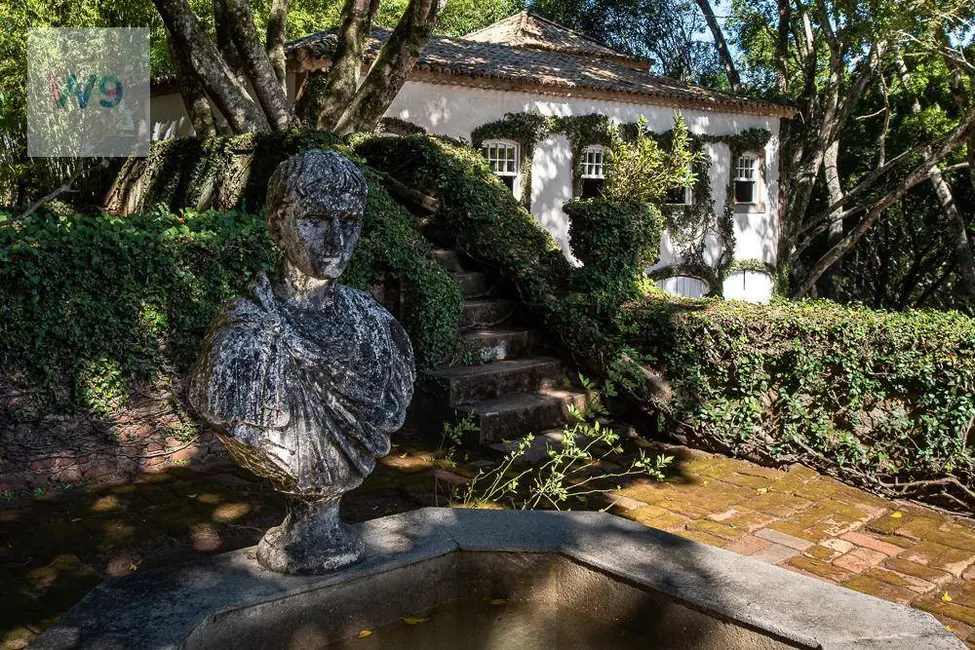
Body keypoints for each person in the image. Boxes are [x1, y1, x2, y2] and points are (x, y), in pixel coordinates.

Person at [189, 149, 415, 573]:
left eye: (348, 223)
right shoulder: (241, 342)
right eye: (315, 220)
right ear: (278, 225)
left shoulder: (380, 331)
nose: (335, 242)